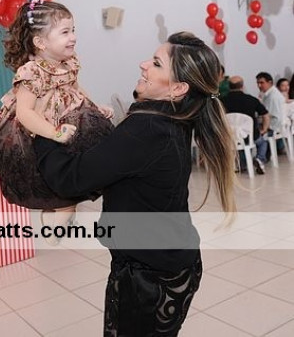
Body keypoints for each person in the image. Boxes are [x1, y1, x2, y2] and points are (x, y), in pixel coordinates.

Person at [35, 32, 236, 336]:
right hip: (167, 264)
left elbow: (70, 179)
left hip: (150, 278)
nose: (144, 64)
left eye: (156, 63)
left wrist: (42, 132)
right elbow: (117, 170)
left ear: (178, 88)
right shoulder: (170, 118)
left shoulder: (148, 128)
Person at [0, 0, 114, 242]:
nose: (73, 37)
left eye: (73, 30)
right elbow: (25, 112)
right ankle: (55, 224)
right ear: (40, 42)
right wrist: (53, 132)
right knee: (59, 191)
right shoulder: (32, 71)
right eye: (65, 32)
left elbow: (75, 87)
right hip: (41, 130)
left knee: (79, 176)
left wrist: (94, 106)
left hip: (70, 123)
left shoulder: (69, 61)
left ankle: (56, 216)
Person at [221, 75, 270, 174]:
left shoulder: (221, 101)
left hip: (229, 137)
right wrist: (264, 129)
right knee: (263, 142)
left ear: (229, 87)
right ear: (242, 86)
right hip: (250, 136)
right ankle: (260, 159)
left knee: (238, 145)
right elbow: (265, 115)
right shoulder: (252, 99)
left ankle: (241, 164)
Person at [256, 72, 285, 157]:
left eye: (262, 83)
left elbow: (268, 115)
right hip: (274, 123)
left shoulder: (272, 97)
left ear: (270, 82)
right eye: (258, 83)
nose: (259, 85)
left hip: (273, 125)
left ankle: (261, 156)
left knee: (253, 133)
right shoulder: (268, 94)